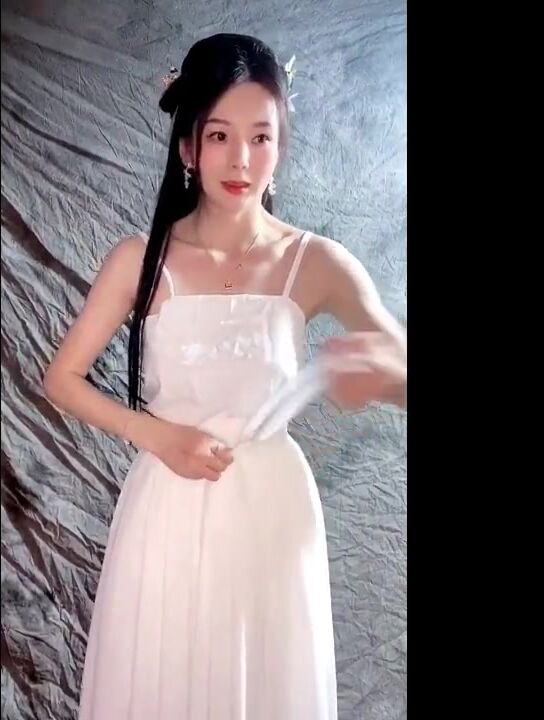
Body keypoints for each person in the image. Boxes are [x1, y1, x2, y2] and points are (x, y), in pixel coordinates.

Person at [42, 33, 406, 719]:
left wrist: (376, 374)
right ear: (188, 147)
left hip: (273, 514)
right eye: (220, 136)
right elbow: (61, 378)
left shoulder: (317, 262)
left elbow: (401, 367)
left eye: (261, 137)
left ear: (281, 145)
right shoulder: (140, 260)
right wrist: (155, 435)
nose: (242, 159)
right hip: (167, 507)